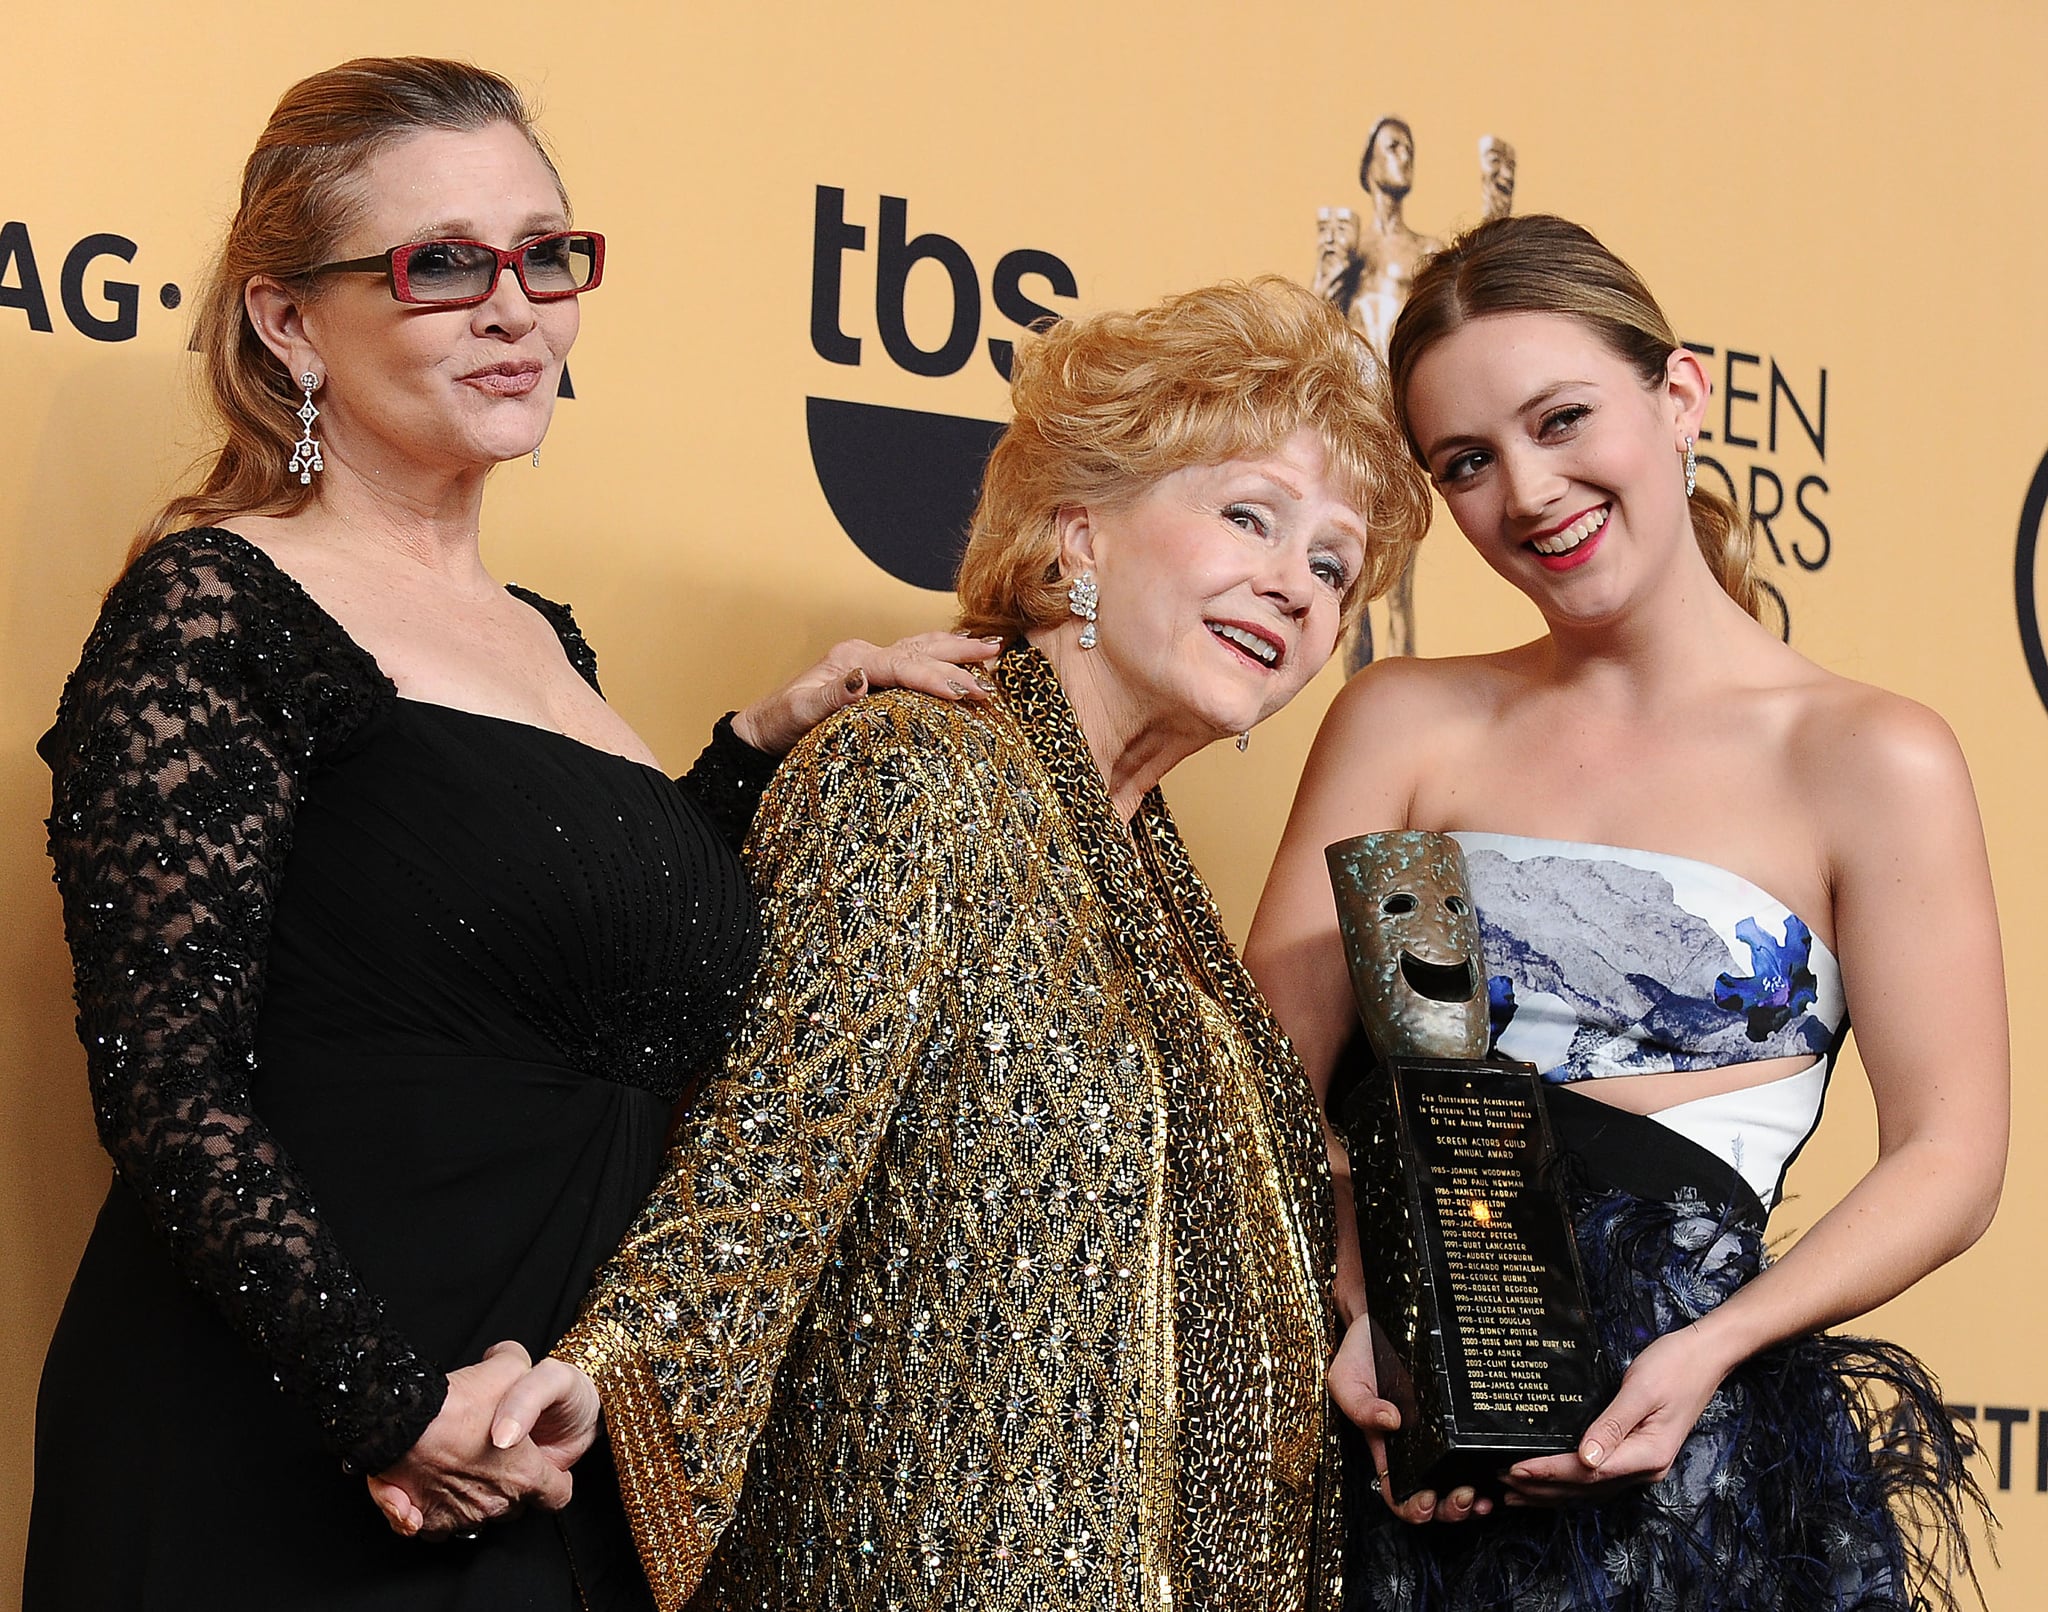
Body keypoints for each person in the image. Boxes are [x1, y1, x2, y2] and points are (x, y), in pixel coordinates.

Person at [26, 57, 997, 1612]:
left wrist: (753, 750)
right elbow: (165, 1085)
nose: (515, 308)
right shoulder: (215, 604)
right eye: (442, 265)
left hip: (546, 1443)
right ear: (289, 323)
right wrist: (390, 1409)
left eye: (547, 254)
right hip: (301, 1458)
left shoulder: (545, 640)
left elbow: (539, 972)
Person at [451, 276, 1436, 1610]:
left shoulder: (1166, 887)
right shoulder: (915, 770)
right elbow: (771, 1155)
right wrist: (605, 1368)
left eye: (1331, 566)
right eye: (1249, 516)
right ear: (1080, 531)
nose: (1295, 587)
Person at [1245, 213, 2003, 1610]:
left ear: (1682, 397)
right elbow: (1263, 1097)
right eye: (1466, 463)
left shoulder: (1870, 755)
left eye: (1563, 419)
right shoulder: (1402, 718)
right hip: (1400, 1436)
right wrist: (1366, 1308)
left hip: (1688, 1452)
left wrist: (1717, 1346)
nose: (1528, 493)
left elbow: (1952, 1156)